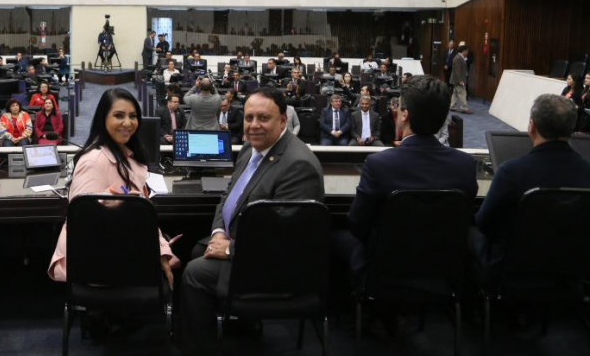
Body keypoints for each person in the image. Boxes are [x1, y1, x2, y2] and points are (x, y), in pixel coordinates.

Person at [181, 88, 324, 355]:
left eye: (263, 118)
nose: (253, 125)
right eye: (248, 118)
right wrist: (217, 232)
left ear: (283, 120)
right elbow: (229, 194)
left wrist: (227, 250)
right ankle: (240, 329)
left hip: (274, 267)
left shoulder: (298, 166)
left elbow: (284, 242)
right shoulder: (251, 147)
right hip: (246, 243)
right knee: (197, 248)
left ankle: (199, 348)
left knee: (194, 273)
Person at [343, 76, 478, 274]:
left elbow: (357, 225)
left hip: (387, 273)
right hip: (443, 274)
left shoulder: (378, 165)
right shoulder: (465, 165)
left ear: (404, 114)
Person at [48, 88, 179, 281]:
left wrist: (162, 250)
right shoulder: (94, 161)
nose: (127, 123)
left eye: (133, 116)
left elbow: (143, 216)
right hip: (100, 262)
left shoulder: (129, 158)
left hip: (122, 251)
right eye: (119, 115)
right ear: (103, 119)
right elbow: (82, 224)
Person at [475, 94, 590, 273]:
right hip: (571, 273)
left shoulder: (510, 172)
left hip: (514, 273)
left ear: (531, 126)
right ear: (571, 128)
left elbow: (484, 223)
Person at [449, 45, 472, 113]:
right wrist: (460, 80)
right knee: (462, 93)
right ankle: (464, 108)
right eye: (467, 51)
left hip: (456, 79)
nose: (467, 52)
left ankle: (452, 106)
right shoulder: (458, 58)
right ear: (464, 51)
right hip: (458, 80)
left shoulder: (459, 57)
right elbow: (457, 70)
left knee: (455, 93)